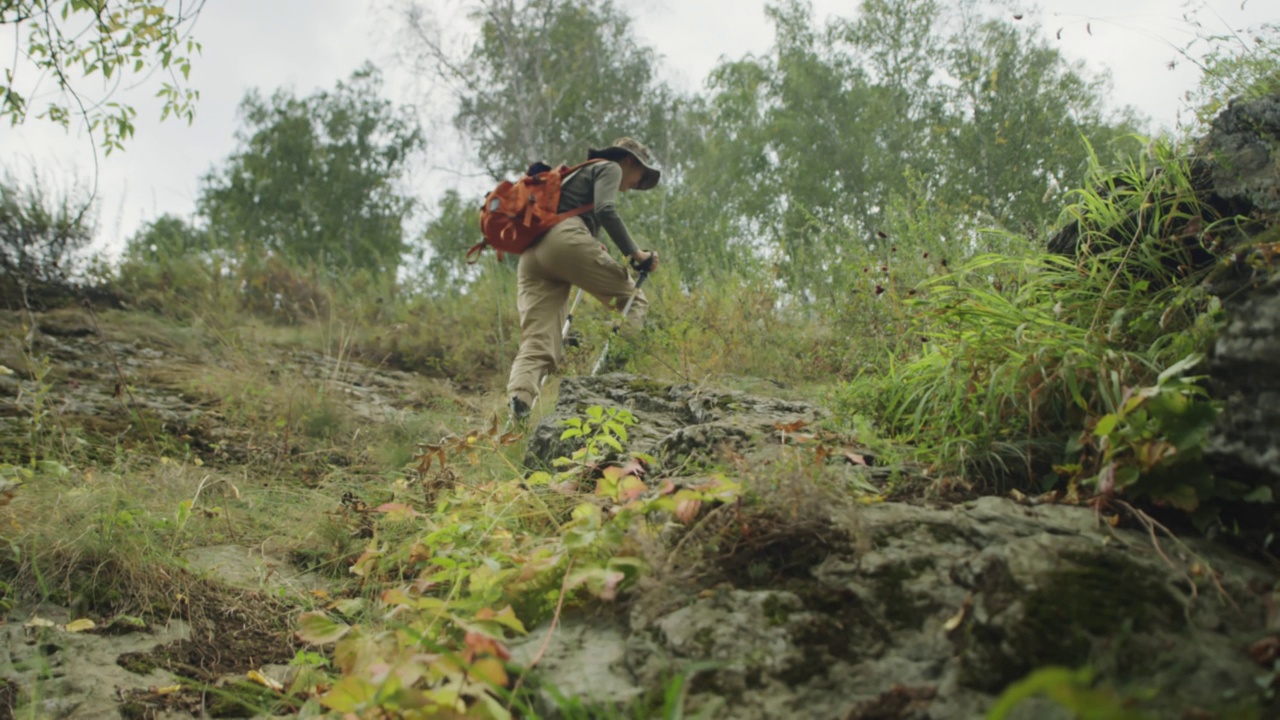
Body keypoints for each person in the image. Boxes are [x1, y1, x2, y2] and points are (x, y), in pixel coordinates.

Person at [506, 137, 661, 420]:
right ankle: (609, 377)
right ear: (629, 161)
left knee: (537, 341)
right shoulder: (609, 167)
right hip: (564, 242)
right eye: (640, 176)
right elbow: (606, 210)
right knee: (634, 302)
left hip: (533, 256)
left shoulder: (574, 177)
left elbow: (579, 219)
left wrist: (588, 242)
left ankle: (519, 405)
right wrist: (637, 254)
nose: (635, 185)